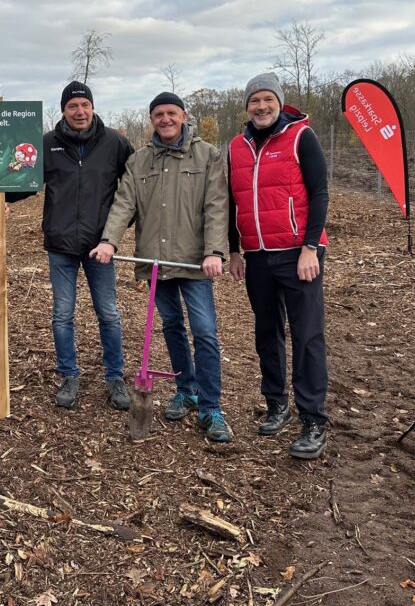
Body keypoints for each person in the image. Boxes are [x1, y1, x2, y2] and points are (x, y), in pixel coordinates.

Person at [92, 92, 232, 442]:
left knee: (205, 332)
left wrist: (215, 250)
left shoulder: (208, 156)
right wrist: (110, 240)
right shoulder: (140, 162)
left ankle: (211, 406)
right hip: (157, 260)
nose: (165, 119)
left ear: (184, 115)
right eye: (158, 114)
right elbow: (124, 203)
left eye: (171, 113)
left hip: (194, 262)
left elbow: (216, 206)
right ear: (151, 119)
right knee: (172, 326)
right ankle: (185, 389)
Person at [8, 80, 134, 411]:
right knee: (62, 314)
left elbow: (134, 189)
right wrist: (0, 193)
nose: (79, 112)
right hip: (61, 244)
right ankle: (69, 374)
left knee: (108, 312)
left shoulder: (115, 143)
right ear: (63, 110)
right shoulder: (48, 143)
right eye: (72, 106)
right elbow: (26, 181)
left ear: (93, 107)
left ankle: (115, 376)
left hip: (100, 246)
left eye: (84, 105)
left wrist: (117, 232)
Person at [227, 73, 330, 459]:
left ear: (279, 102)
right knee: (266, 332)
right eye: (254, 101)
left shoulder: (302, 137)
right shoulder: (237, 147)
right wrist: (234, 250)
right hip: (256, 255)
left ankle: (313, 419)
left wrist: (310, 247)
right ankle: (276, 403)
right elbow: (233, 201)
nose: (261, 107)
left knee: (307, 336)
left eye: (268, 99)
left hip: (298, 253)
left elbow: (319, 192)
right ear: (246, 107)